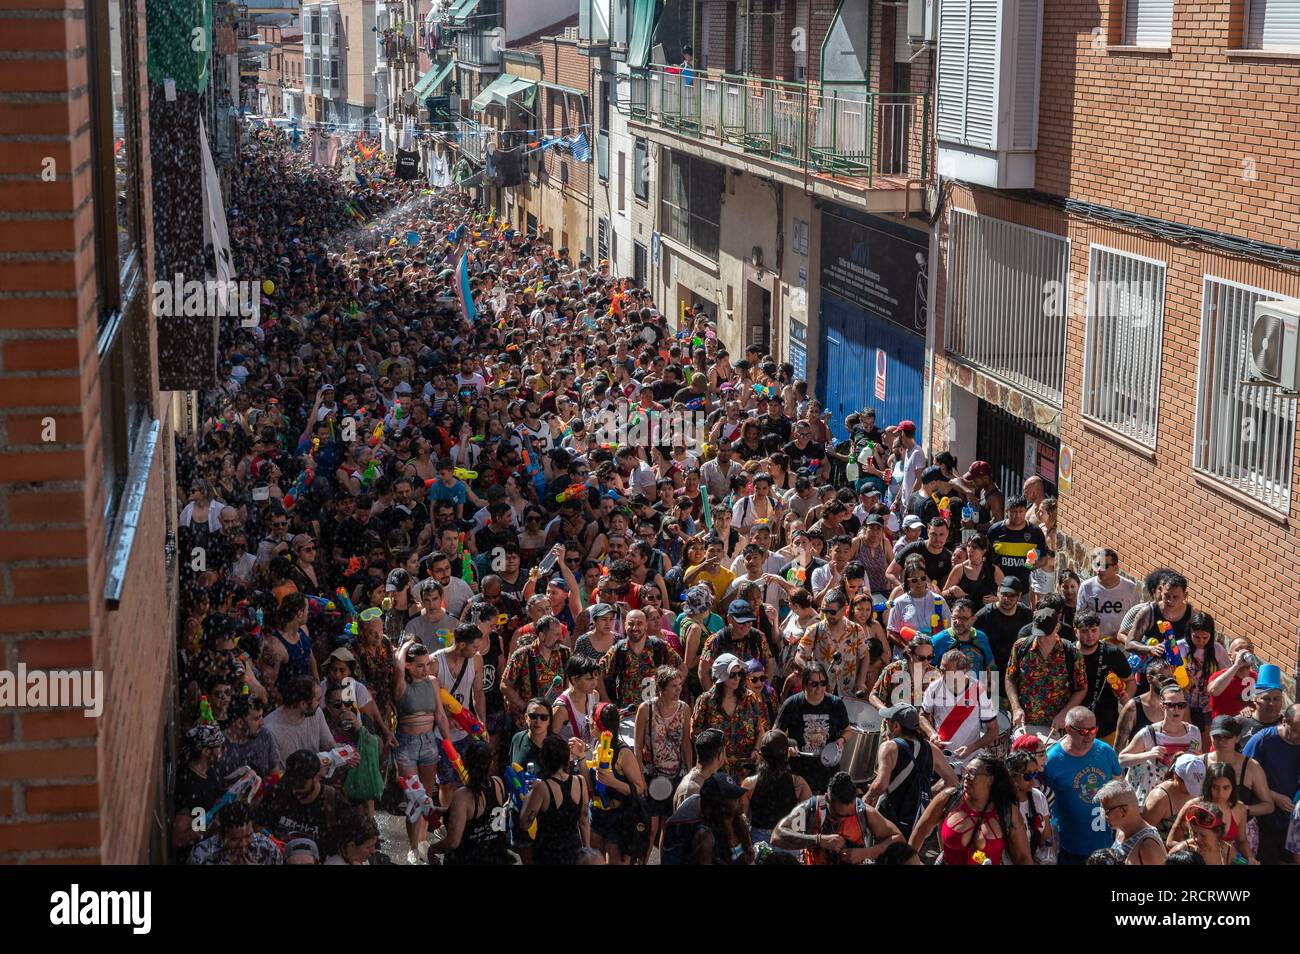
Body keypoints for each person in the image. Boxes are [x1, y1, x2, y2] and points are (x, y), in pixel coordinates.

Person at [391, 638, 454, 864]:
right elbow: (397, 667)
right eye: (419, 665)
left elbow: (440, 715)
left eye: (427, 664)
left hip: (429, 743)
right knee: (415, 798)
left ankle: (422, 842)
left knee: (427, 797)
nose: (425, 669)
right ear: (408, 665)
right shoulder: (401, 684)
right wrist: (406, 646)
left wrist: (450, 746)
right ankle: (412, 846)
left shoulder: (433, 682)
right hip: (406, 743)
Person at [910, 754, 1033, 865]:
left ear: (990, 780)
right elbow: (920, 830)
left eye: (972, 773)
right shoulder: (949, 798)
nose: (966, 777)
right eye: (965, 772)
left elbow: (1023, 858)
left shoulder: (1008, 812)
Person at [772, 771, 913, 865]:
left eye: (848, 815)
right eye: (838, 815)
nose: (842, 820)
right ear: (827, 799)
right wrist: (819, 840)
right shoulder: (812, 808)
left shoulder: (863, 812)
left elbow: (898, 840)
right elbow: (777, 837)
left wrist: (864, 853)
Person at [1041, 706, 1122, 864]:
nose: (1089, 737)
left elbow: (1119, 788)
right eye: (1083, 732)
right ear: (1067, 729)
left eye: (1093, 730)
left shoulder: (1106, 751)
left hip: (1103, 842)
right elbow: (1044, 804)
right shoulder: (1052, 760)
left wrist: (1121, 827)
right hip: (1068, 845)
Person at [866, 703, 956, 841]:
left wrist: (866, 798)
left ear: (897, 726)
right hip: (918, 825)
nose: (885, 723)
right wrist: (932, 794)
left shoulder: (889, 747)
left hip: (889, 823)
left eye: (888, 720)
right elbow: (953, 782)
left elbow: (880, 785)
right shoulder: (932, 750)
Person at [635, 665, 694, 843]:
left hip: (675, 774)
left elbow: (685, 744)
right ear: (661, 688)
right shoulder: (646, 709)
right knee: (650, 830)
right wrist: (639, 778)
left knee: (668, 828)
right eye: (673, 686)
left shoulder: (684, 709)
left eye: (680, 685)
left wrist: (690, 774)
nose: (679, 689)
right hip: (652, 775)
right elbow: (637, 745)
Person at [430, 739, 513, 865]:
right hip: (495, 855)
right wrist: (441, 811)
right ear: (490, 764)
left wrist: (432, 849)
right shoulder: (498, 784)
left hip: (469, 858)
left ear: (466, 763)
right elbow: (485, 818)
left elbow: (453, 842)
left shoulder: (462, 796)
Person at [1118, 681, 1202, 805]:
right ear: (1162, 706)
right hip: (1151, 798)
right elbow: (1121, 759)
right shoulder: (1149, 733)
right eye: (1171, 705)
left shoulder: (1193, 732)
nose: (1176, 709)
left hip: (1181, 797)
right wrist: (1148, 755)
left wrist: (1197, 757)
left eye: (1181, 705)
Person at [775, 661, 852, 795]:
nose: (819, 688)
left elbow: (847, 730)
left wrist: (842, 740)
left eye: (823, 683)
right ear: (804, 685)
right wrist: (786, 746)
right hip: (799, 771)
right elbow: (775, 734)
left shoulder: (835, 704)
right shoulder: (792, 704)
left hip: (828, 771)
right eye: (814, 684)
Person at [587, 701, 647, 864]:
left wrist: (613, 782)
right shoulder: (597, 743)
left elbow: (640, 788)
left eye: (591, 719)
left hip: (618, 816)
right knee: (595, 859)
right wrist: (579, 757)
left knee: (615, 859)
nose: (588, 722)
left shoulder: (623, 753)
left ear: (597, 724)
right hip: (597, 813)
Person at [692, 653, 770, 779]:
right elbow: (696, 734)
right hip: (716, 771)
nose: (737, 678)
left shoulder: (750, 698)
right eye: (732, 675)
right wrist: (714, 757)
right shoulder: (705, 701)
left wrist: (756, 750)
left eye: (740, 674)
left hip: (746, 770)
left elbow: (760, 730)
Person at [1241, 702, 1300, 864]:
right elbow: (1243, 776)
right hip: (1265, 820)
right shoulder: (1263, 740)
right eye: (1294, 730)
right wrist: (1273, 796)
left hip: (1293, 822)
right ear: (1283, 722)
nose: (1297, 737)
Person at [519, 733, 590, 865]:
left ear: (544, 760)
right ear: (566, 757)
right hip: (573, 852)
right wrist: (587, 851)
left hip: (548, 854)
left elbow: (524, 823)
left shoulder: (542, 788)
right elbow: (584, 821)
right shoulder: (581, 782)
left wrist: (528, 795)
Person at [922, 649, 999, 765]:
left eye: (949, 673)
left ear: (964, 670)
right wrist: (932, 733)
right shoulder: (934, 688)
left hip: (970, 760)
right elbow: (922, 716)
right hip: (941, 759)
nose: (943, 676)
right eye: (942, 671)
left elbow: (993, 730)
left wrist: (972, 747)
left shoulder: (978, 690)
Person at [1068, 610, 1133, 746]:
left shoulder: (1112, 653)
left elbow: (1130, 680)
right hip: (1074, 728)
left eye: (1093, 630)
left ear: (1099, 629)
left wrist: (1124, 697)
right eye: (1084, 631)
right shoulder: (1067, 653)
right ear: (1076, 631)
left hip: (1107, 728)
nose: (1090, 636)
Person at [1166, 762, 1253, 863]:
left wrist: (1251, 859)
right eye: (1215, 787)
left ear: (1233, 787)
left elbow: (1242, 841)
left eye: (1226, 787)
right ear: (1208, 786)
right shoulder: (1193, 807)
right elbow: (1170, 843)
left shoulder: (1239, 808)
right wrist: (1191, 855)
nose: (1220, 793)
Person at [742, 729, 813, 848]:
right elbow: (811, 815)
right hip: (787, 839)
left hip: (759, 843)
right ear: (786, 754)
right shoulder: (798, 783)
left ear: (762, 754)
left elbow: (741, 818)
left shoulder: (749, 783)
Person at [1074, 547, 1139, 640]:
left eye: (1105, 566)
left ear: (1115, 568)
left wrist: (1123, 636)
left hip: (1121, 646)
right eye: (1098, 565)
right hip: (1095, 645)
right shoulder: (1086, 587)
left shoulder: (1130, 588)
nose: (1100, 569)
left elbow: (1136, 618)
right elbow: (1078, 617)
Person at [1095, 780, 1166, 865]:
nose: (1103, 817)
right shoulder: (1120, 830)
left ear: (1124, 810)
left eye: (1106, 812)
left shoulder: (1148, 846)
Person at [690, 773, 755, 865]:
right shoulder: (705, 837)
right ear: (719, 803)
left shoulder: (739, 825)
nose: (740, 799)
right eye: (733, 796)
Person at [1006, 747, 1056, 864]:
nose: (1033, 781)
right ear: (1012, 775)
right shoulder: (1002, 803)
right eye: (1027, 776)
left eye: (1035, 774)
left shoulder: (1039, 797)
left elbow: (1046, 834)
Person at [1140, 752, 1205, 839]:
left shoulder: (1196, 793)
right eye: (1190, 784)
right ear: (1176, 777)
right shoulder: (1159, 798)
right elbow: (1143, 836)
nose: (1193, 791)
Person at [1166, 801, 1235, 865]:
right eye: (1194, 833)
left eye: (1203, 835)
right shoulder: (1182, 851)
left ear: (1218, 832)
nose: (1197, 839)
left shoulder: (1228, 852)